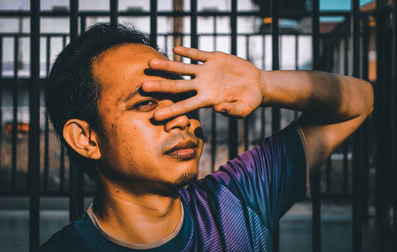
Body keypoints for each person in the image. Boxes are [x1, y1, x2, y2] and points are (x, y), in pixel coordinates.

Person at [41, 22, 373, 251]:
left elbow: (360, 101)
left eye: (182, 98)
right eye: (146, 103)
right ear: (86, 138)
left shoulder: (238, 198)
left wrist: (263, 84)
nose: (181, 118)